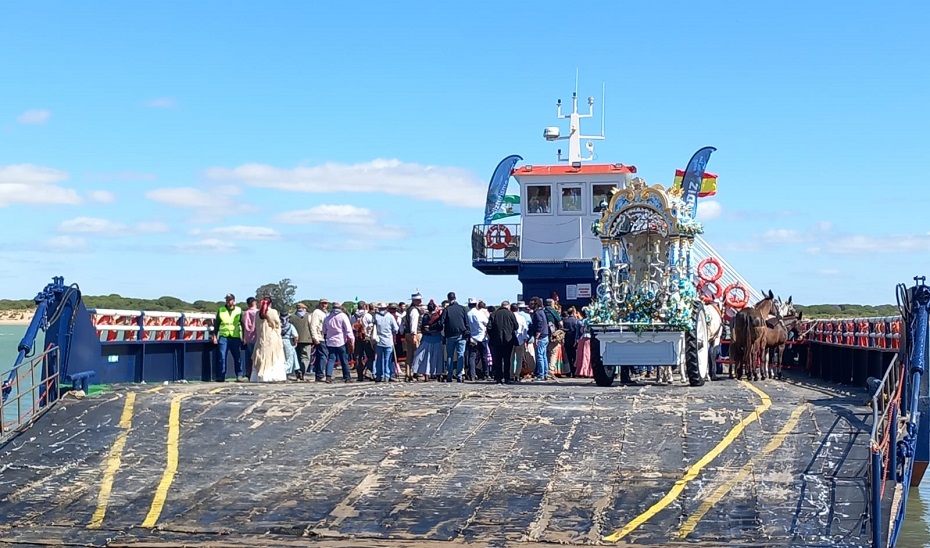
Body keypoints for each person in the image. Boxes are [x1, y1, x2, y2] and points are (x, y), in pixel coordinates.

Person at [251, 296, 288, 382]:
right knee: (273, 356)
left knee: (260, 355)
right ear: (270, 303)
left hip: (261, 338)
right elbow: (277, 324)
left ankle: (260, 376)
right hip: (272, 338)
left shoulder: (257, 314)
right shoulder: (273, 312)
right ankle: (272, 376)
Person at [212, 293, 245, 382]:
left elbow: (242, 324)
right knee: (222, 357)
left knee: (237, 357)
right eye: (227, 299)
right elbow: (217, 324)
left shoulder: (238, 310)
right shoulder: (221, 310)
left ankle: (239, 375)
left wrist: (244, 337)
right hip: (224, 336)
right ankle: (221, 376)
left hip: (235, 336)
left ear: (233, 301)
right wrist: (214, 336)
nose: (228, 301)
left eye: (230, 300)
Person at [323, 302, 355, 383]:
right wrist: (352, 340)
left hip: (330, 341)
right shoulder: (343, 316)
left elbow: (324, 329)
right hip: (341, 341)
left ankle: (328, 376)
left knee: (331, 359)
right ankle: (347, 377)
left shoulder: (327, 316)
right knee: (344, 360)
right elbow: (348, 329)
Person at [487, 300, 518, 384]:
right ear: (507, 306)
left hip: (496, 340)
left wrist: (493, 335)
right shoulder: (511, 314)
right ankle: (507, 378)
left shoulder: (494, 314)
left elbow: (489, 327)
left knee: (498, 360)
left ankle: (498, 378)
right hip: (508, 340)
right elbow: (516, 326)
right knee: (507, 359)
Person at [441, 291, 469, 383]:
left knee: (450, 355)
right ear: (455, 298)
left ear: (448, 299)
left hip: (450, 335)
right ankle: (459, 375)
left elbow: (442, 322)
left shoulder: (447, 309)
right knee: (460, 355)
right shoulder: (463, 309)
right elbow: (466, 322)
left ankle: (449, 374)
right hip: (461, 334)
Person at [413, 299, 444, 380]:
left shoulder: (425, 316)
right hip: (437, 337)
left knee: (426, 357)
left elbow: (422, 327)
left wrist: (427, 330)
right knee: (437, 357)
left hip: (427, 338)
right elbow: (440, 326)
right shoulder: (438, 316)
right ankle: (438, 373)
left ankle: (426, 374)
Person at [372, 302, 399, 382]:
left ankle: (379, 375)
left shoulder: (375, 316)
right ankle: (387, 375)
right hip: (388, 341)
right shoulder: (390, 316)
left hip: (379, 340)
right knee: (387, 359)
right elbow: (396, 329)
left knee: (379, 359)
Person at [403, 292, 425, 381]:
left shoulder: (409, 310)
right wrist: (414, 335)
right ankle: (417, 372)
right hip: (415, 333)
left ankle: (409, 373)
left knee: (410, 354)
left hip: (409, 334)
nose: (419, 301)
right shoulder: (414, 310)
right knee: (417, 354)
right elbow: (414, 323)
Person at [352, 302, 375, 381]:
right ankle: (368, 369)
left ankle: (360, 376)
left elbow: (351, 327)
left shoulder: (353, 316)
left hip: (357, 339)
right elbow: (372, 325)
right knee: (371, 356)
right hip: (366, 338)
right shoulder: (368, 315)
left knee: (358, 357)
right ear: (365, 307)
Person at [529, 296, 550, 381]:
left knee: (540, 356)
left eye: (532, 303)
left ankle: (541, 375)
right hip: (545, 335)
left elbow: (539, 325)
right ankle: (545, 373)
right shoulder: (542, 312)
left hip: (541, 337)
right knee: (544, 356)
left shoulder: (537, 313)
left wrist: (537, 337)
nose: (531, 304)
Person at [309, 298, 330, 382]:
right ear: (320, 304)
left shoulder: (326, 313)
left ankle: (319, 374)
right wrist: (315, 337)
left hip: (325, 336)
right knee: (323, 356)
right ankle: (320, 374)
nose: (324, 305)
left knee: (321, 356)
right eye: (323, 303)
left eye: (326, 303)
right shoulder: (316, 312)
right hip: (319, 337)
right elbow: (313, 325)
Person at [291, 302, 312, 380]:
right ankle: (303, 371)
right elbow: (311, 327)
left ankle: (297, 372)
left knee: (297, 357)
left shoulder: (292, 317)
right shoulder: (308, 316)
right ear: (304, 309)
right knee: (306, 357)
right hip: (307, 339)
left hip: (295, 340)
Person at [241, 297, 259, 378]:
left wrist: (244, 337)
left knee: (249, 357)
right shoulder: (258, 312)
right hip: (257, 337)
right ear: (255, 303)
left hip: (248, 337)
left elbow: (244, 325)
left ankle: (249, 374)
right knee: (257, 356)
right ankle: (256, 373)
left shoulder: (246, 313)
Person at [281, 312, 299, 379]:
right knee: (289, 359)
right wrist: (295, 342)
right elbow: (296, 336)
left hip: (279, 342)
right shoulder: (290, 326)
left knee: (282, 358)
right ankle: (286, 373)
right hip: (288, 342)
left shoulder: (278, 325)